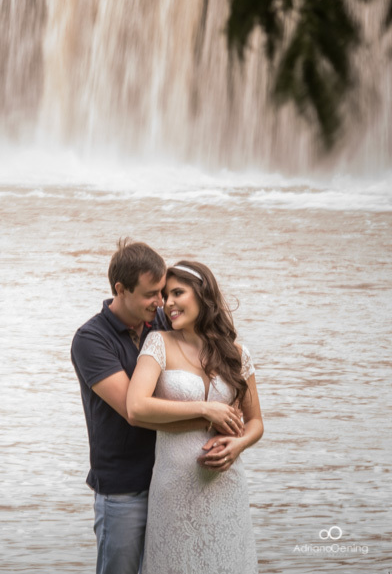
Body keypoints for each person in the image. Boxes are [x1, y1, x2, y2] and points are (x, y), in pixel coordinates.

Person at [70, 240, 242, 574]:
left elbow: (216, 351)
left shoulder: (165, 320)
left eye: (162, 292)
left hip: (175, 479)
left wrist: (235, 431)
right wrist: (208, 413)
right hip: (125, 488)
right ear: (121, 290)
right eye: (151, 294)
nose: (160, 302)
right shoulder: (91, 340)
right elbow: (135, 413)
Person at [125, 261, 263, 574]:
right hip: (174, 489)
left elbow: (256, 423)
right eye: (164, 295)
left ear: (202, 295)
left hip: (227, 486)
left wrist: (237, 445)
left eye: (177, 293)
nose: (168, 302)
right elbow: (137, 406)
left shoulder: (237, 353)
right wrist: (204, 409)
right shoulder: (159, 343)